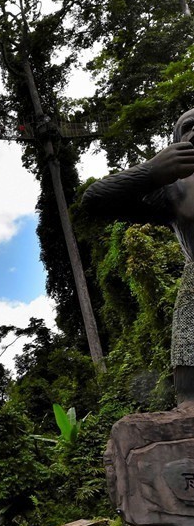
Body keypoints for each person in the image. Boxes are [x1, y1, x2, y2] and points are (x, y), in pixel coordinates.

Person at [80, 107, 194, 402]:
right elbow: (94, 200)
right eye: (189, 127)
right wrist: (151, 172)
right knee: (189, 386)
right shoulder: (176, 192)